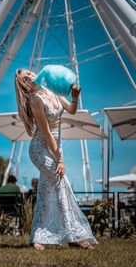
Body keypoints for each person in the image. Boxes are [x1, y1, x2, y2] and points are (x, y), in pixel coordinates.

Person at [15, 68, 98, 251]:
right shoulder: (35, 100)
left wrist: (75, 97)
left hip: (55, 148)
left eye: (29, 73)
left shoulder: (52, 89)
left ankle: (38, 237)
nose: (29, 76)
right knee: (61, 183)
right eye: (25, 78)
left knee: (46, 191)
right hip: (41, 148)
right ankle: (74, 236)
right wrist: (59, 159)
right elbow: (45, 133)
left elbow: (71, 110)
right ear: (23, 84)